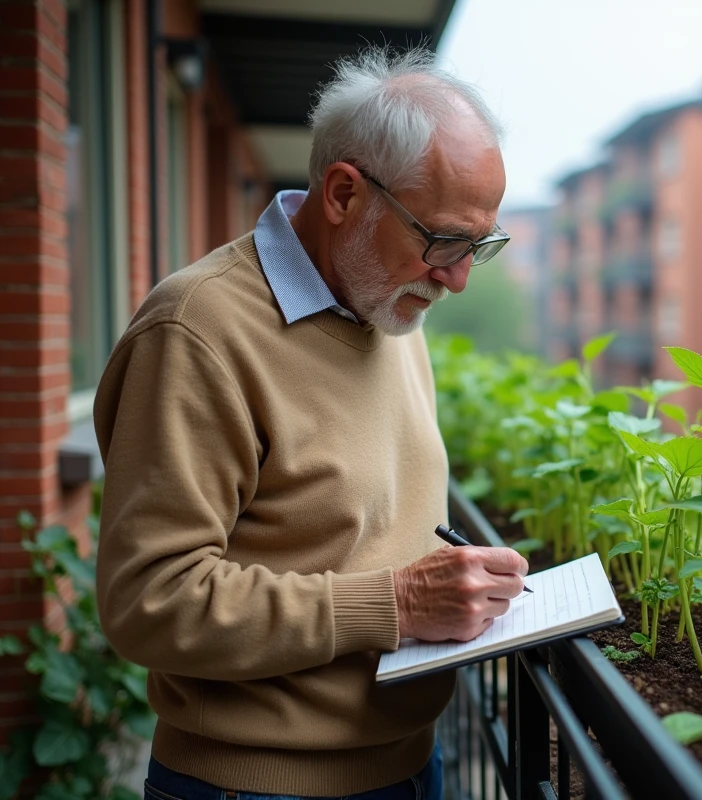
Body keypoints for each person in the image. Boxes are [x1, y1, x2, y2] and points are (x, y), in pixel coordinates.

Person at [93, 46, 527, 800]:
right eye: (443, 241)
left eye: (477, 247)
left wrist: (462, 585)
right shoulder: (197, 332)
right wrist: (395, 606)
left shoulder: (390, 305)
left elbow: (371, 523)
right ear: (342, 194)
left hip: (413, 766)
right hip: (258, 785)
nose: (456, 278)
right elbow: (148, 601)